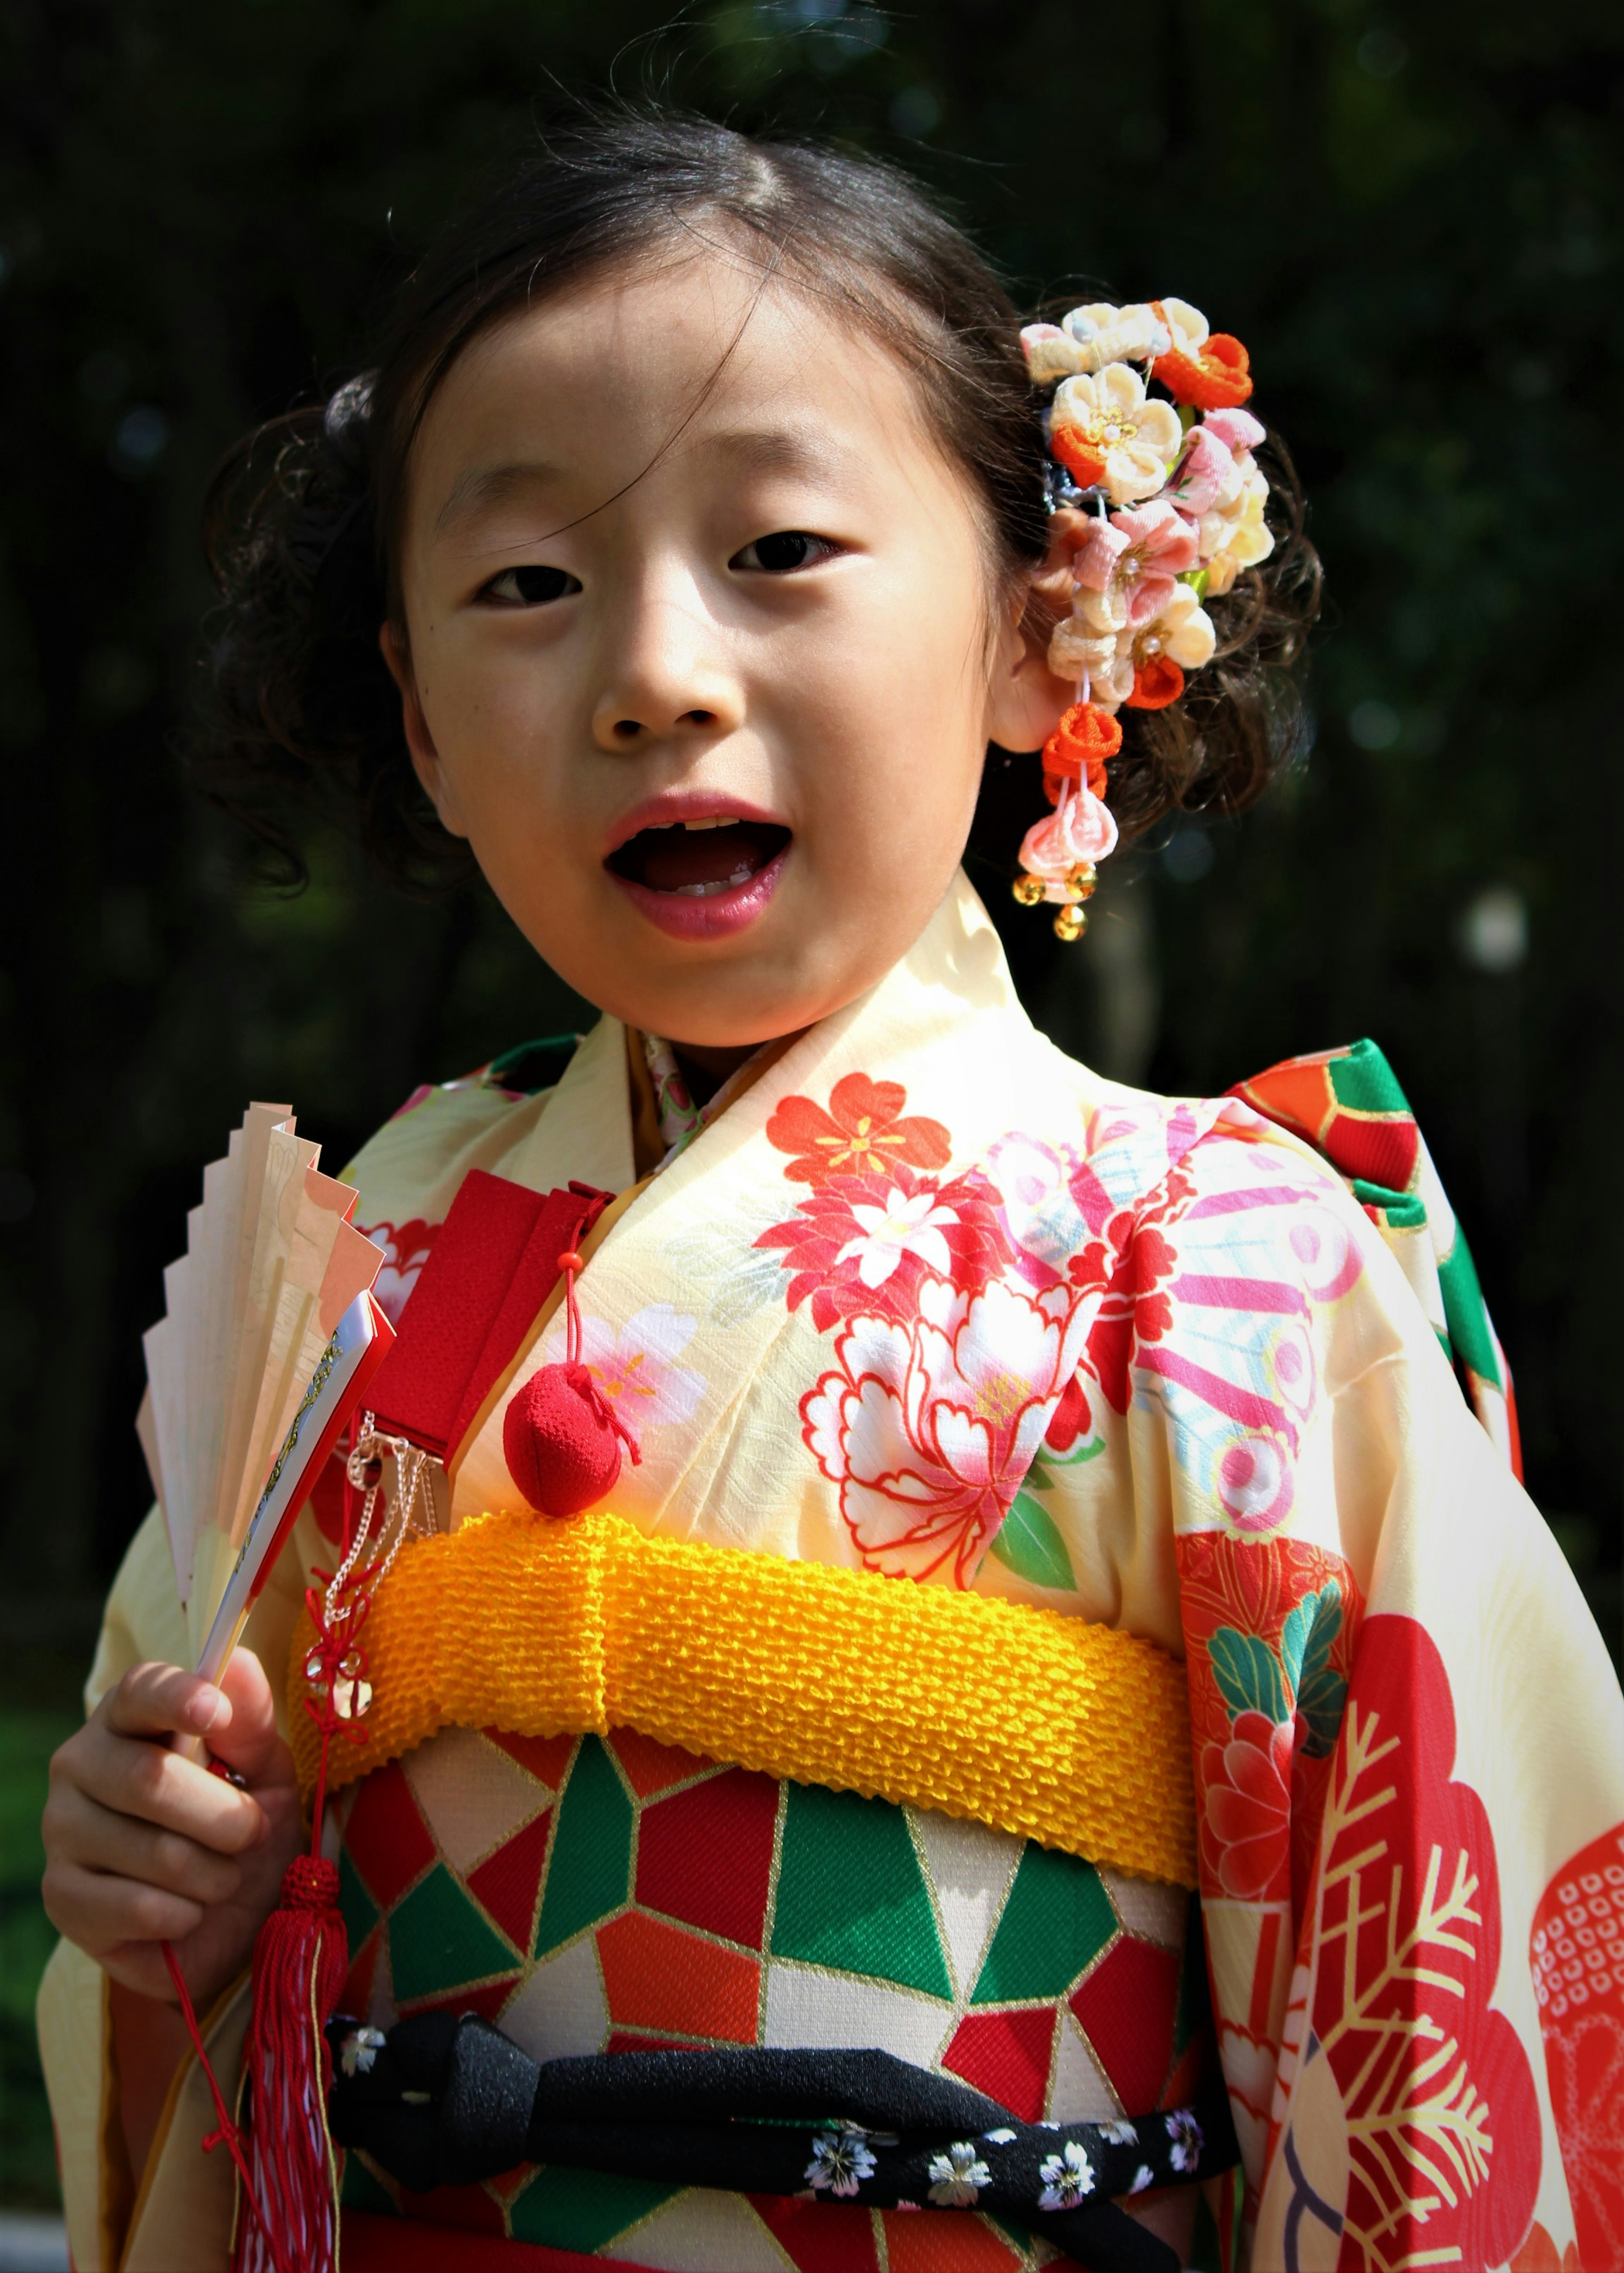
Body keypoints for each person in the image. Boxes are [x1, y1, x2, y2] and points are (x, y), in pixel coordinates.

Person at [36, 109, 1622, 2273]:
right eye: (527, 585)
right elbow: (224, 1912)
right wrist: (185, 1901)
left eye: (780, 550)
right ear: (419, 722)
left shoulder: (1223, 1269)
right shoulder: (348, 1261)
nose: (656, 672)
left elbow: (1420, 2004)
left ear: (1034, 625)